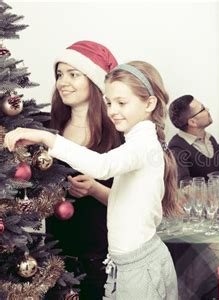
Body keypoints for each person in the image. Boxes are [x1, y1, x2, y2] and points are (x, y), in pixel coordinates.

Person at [5, 61, 179, 298]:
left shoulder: (143, 146)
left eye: (122, 103)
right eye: (109, 102)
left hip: (139, 266)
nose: (113, 110)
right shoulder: (137, 143)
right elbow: (122, 201)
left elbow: (102, 166)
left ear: (149, 103)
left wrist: (45, 138)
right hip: (125, 262)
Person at [47, 40, 122, 299]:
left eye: (73, 74)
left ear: (93, 80)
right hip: (53, 257)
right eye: (59, 75)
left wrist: (94, 189)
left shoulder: (118, 135)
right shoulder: (49, 129)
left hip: (98, 259)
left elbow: (133, 202)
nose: (63, 82)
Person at [168, 94, 219, 182]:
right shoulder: (176, 148)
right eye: (203, 109)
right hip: (207, 196)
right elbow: (184, 184)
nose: (207, 109)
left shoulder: (209, 138)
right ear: (192, 122)